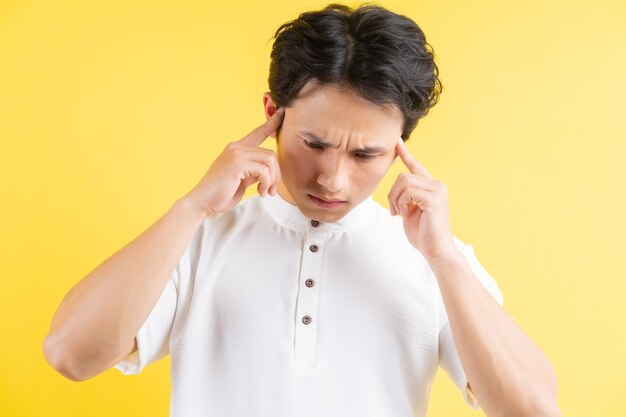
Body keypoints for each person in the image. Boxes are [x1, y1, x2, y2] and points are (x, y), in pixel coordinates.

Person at [43, 3, 560, 417]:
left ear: (401, 144)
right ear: (274, 114)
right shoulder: (197, 238)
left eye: (365, 154)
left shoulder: (437, 262)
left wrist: (445, 259)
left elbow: (535, 410)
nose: (333, 178)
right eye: (314, 142)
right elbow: (70, 355)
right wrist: (193, 207)